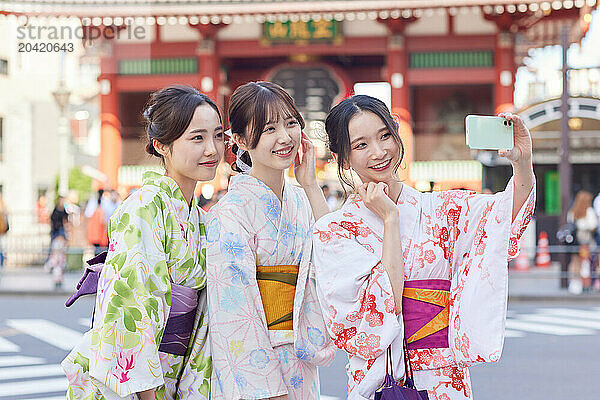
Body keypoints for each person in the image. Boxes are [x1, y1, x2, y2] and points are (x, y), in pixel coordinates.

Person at [312, 95, 536, 400]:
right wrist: (390, 218)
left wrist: (522, 163)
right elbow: (375, 312)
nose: (379, 152)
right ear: (344, 158)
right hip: (382, 379)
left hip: (445, 376)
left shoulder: (440, 209)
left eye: (385, 136)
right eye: (361, 145)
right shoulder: (334, 231)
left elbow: (503, 219)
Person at [62, 85, 225, 399]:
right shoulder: (143, 207)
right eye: (197, 137)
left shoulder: (200, 218)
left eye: (218, 135)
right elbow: (130, 308)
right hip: (139, 380)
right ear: (161, 145)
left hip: (174, 369)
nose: (212, 149)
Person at [206, 81, 335, 399]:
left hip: (301, 358)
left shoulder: (301, 198)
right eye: (269, 129)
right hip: (259, 369)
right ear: (240, 141)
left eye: (291, 123)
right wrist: (269, 392)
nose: (284, 137)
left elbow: (337, 258)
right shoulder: (230, 214)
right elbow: (235, 312)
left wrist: (311, 187)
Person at [567, 190, 598, 293]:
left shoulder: (573, 210)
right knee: (585, 263)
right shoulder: (589, 211)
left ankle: (574, 284)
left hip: (574, 241)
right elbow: (593, 225)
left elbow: (570, 222)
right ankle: (585, 285)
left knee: (574, 262)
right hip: (585, 242)